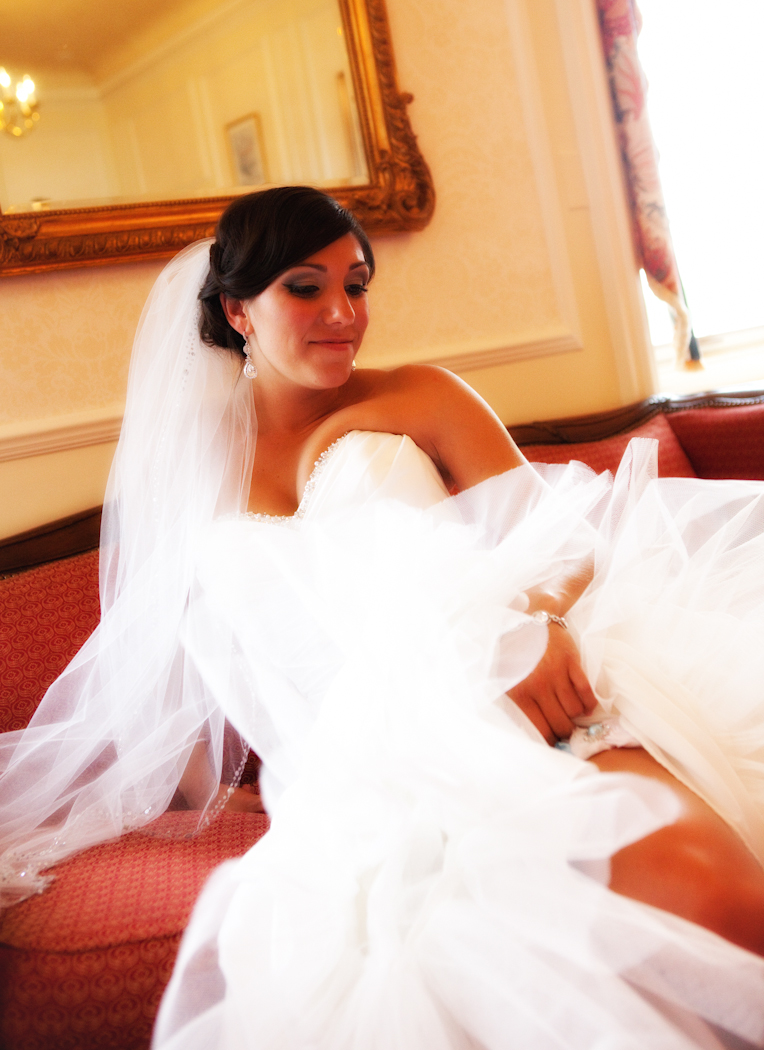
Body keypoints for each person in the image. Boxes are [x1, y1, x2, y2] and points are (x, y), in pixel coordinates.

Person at [2, 187, 764, 1049]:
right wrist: (212, 788)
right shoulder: (185, 467)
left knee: (713, 897)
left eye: (356, 285)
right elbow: (163, 665)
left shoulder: (424, 396)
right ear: (237, 311)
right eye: (305, 287)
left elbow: (563, 543)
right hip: (366, 765)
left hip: (519, 678)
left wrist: (540, 625)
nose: (343, 313)